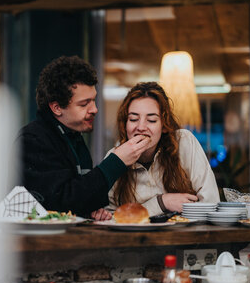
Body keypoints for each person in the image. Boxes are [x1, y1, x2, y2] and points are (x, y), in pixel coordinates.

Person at [16, 56, 152, 220]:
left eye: (93, 100)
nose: (94, 109)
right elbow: (58, 205)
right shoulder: (33, 139)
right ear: (57, 107)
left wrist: (92, 211)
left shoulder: (73, 136)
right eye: (84, 104)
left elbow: (77, 201)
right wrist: (116, 162)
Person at [107, 82, 220, 216]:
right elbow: (112, 217)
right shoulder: (114, 157)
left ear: (164, 125)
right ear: (125, 125)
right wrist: (161, 203)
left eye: (152, 120)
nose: (141, 127)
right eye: (133, 119)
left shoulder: (184, 142)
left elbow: (211, 202)